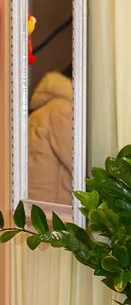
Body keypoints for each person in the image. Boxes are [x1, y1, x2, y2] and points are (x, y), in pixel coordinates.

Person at [26, 69, 74, 207]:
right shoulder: (61, 111)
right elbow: (74, 158)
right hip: (55, 203)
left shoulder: (36, 115)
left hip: (35, 200)